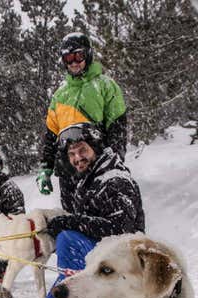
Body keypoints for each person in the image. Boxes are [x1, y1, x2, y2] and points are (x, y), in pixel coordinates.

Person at [42, 123, 144, 298]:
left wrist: (70, 223)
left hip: (123, 263)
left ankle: (81, 295)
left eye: (82, 150)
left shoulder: (115, 180)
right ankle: (74, 288)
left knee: (67, 238)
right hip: (101, 257)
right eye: (72, 154)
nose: (77, 158)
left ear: (95, 147)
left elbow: (119, 229)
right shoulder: (90, 178)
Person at [36, 32, 127, 205]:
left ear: (88, 54)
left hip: (97, 165)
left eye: (79, 55)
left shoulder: (105, 85)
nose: (74, 62)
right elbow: (51, 135)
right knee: (73, 220)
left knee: (100, 215)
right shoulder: (59, 95)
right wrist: (46, 167)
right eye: (68, 58)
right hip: (68, 169)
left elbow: (117, 126)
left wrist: (115, 160)